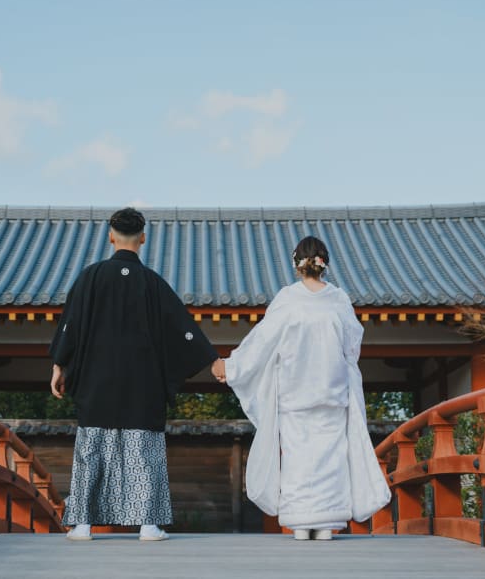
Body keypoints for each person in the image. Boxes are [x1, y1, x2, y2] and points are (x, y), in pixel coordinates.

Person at [50, 207, 219, 542]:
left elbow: (71, 325)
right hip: (143, 382)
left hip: (97, 380)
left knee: (92, 447)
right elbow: (181, 329)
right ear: (142, 238)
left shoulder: (91, 277)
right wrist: (212, 359)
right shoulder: (153, 283)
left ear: (111, 236)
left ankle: (82, 524)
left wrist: (59, 364)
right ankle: (148, 525)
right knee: (143, 449)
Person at [211, 236, 391, 540]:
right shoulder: (339, 300)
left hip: (295, 391)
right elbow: (352, 347)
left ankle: (300, 522)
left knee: (298, 458)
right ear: (324, 264)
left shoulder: (288, 298)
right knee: (331, 457)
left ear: (297, 264)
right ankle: (326, 523)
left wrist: (231, 366)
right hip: (332, 392)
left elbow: (264, 340)